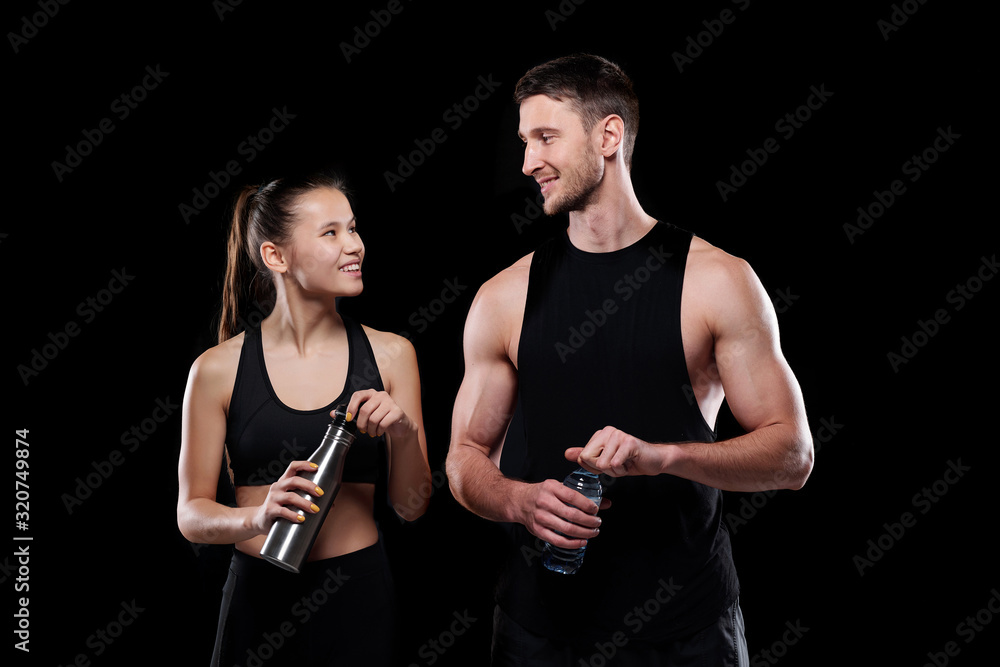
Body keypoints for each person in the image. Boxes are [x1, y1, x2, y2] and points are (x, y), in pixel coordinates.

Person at [446, 54, 814, 666]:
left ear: (608, 135)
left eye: (545, 138)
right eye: (523, 141)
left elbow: (793, 456)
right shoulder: (503, 297)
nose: (527, 161)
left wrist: (663, 456)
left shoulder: (717, 281)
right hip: (538, 634)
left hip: (686, 633)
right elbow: (462, 458)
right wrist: (517, 500)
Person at [177, 169, 431, 666]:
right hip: (257, 600)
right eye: (331, 233)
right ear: (276, 256)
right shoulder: (216, 370)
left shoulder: (393, 355)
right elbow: (190, 515)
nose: (354, 245)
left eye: (353, 228)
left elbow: (412, 507)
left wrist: (403, 434)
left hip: (358, 598)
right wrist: (258, 515)